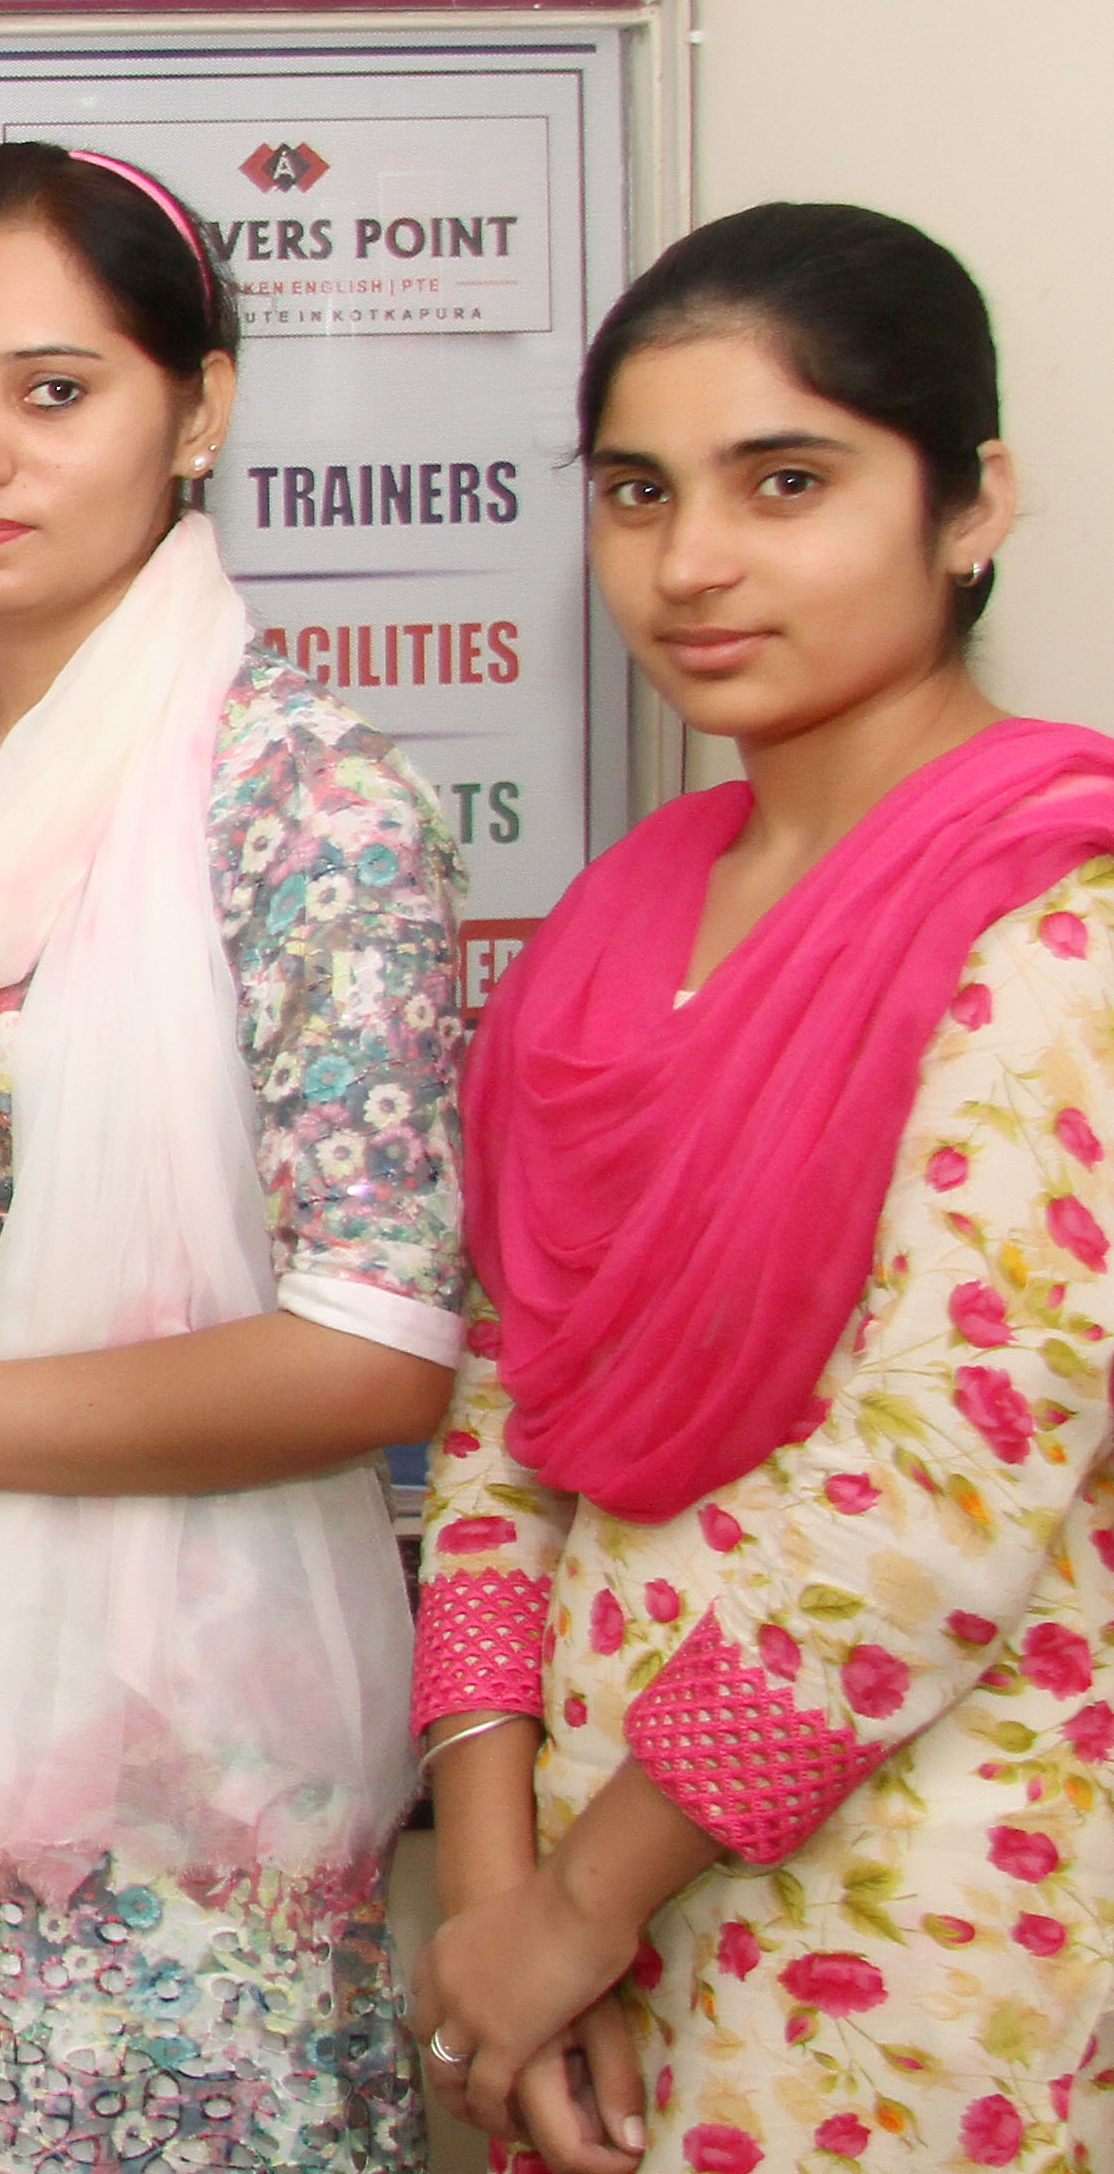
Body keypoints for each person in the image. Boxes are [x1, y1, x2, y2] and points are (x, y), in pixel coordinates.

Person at [0, 140, 467, 2171]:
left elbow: (377, 1347)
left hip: (154, 1750)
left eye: (55, 390)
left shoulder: (298, 805)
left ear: (195, 409)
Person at [412, 203, 1114, 2173]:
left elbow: (938, 1488)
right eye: (636, 491)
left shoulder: (1056, 923)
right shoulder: (609, 932)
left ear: (969, 505)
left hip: (904, 1921)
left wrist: (577, 1903)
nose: (690, 560)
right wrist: (496, 1899)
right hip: (574, 1926)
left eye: (782, 481)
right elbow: (500, 1420)